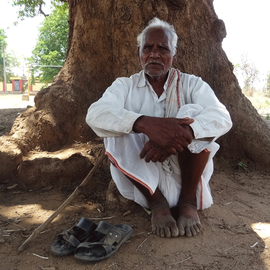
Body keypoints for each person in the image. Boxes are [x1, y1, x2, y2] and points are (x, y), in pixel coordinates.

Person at [86, 17, 232, 238]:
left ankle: (188, 202)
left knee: (192, 114)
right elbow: (95, 114)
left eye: (162, 48)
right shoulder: (124, 86)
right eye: (148, 48)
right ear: (140, 53)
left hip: (187, 178)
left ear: (175, 55)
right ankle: (158, 205)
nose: (154, 53)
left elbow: (222, 117)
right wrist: (144, 124)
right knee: (116, 124)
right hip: (144, 182)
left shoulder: (193, 84)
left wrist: (178, 135)